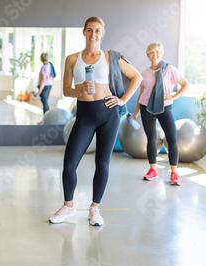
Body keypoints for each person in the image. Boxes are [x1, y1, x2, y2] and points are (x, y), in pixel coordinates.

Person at [48, 16, 142, 226]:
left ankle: (94, 209)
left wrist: (122, 99)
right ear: (84, 32)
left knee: (102, 163)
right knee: (70, 162)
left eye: (97, 30)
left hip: (108, 115)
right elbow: (65, 89)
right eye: (89, 30)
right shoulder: (73, 59)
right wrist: (78, 90)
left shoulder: (111, 57)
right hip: (84, 115)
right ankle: (68, 206)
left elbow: (137, 77)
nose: (93, 34)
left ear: (102, 33)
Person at [132, 42, 189, 185]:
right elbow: (142, 94)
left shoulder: (169, 69)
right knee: (151, 138)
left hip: (165, 107)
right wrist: (136, 112)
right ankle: (153, 170)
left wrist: (173, 97)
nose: (153, 55)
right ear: (147, 54)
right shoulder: (144, 73)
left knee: (172, 138)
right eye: (150, 52)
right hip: (146, 108)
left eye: (156, 52)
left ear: (161, 53)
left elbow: (185, 84)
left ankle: (174, 173)